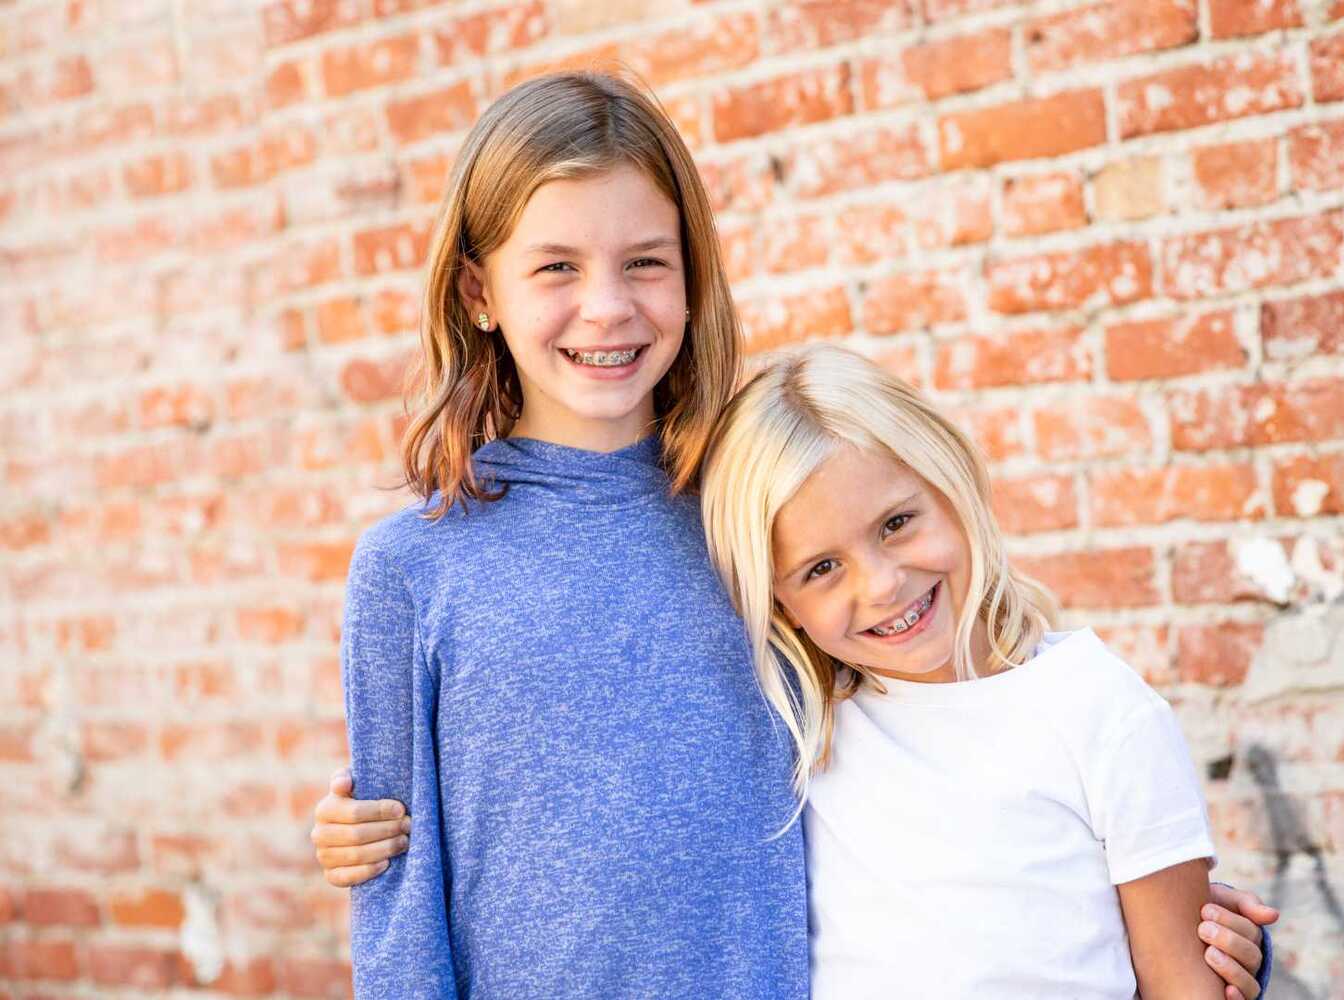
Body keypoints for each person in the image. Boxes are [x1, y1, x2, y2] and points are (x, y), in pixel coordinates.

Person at [317, 68, 1278, 999]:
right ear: (481, 291)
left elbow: (931, 751)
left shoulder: (761, 515)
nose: (607, 306)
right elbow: (397, 907)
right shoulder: (413, 570)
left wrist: (1165, 930)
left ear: (693, 275)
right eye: (556, 267)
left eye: (646, 261)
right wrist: (349, 835)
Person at [699, 344, 1255, 997]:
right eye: (822, 569)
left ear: (951, 480)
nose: (881, 584)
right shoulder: (801, 734)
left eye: (897, 523)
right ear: (781, 606)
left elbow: (1184, 981)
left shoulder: (1099, 707)